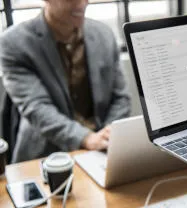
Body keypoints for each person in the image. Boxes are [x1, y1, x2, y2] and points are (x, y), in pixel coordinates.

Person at [0, 0, 131, 163]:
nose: (82, 4)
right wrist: (86, 138)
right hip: (46, 155)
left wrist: (108, 134)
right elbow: (36, 107)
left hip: (102, 149)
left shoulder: (104, 34)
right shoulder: (14, 43)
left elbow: (121, 98)